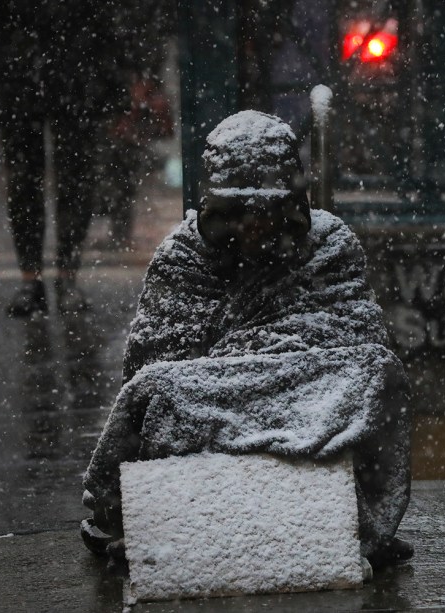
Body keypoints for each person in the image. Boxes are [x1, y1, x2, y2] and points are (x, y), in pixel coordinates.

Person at [81, 111, 413, 572]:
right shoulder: (182, 259)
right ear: (214, 207)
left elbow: (352, 348)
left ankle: (333, 515)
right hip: (223, 435)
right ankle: (193, 514)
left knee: (374, 375)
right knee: (160, 395)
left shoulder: (330, 246)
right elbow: (155, 379)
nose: (253, 229)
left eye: (267, 212)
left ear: (293, 206)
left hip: (308, 411)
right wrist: (260, 375)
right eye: (238, 212)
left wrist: (238, 373)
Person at [0, 1, 129, 316]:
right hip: (32, 75)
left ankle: (54, 277)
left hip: (66, 75)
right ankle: (41, 278)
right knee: (33, 182)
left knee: (68, 181)